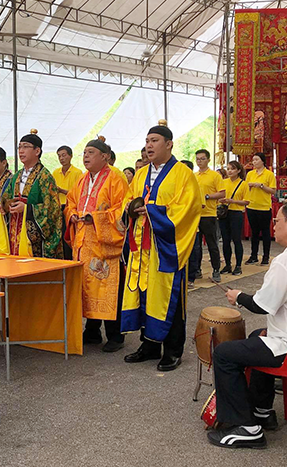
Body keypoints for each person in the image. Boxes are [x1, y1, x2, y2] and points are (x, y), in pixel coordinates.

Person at [208, 201, 287, 449]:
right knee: (260, 335)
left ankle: (246, 428)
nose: (274, 225)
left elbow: (262, 304)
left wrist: (238, 296)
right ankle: (260, 410)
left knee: (224, 354)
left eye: (277, 220)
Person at [121, 123, 202, 372]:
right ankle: (149, 346)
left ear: (169, 144)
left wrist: (154, 211)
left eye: (154, 140)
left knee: (170, 298)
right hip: (142, 248)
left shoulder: (183, 173)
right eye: (147, 140)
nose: (149, 145)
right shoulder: (142, 173)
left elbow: (188, 209)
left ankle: (173, 350)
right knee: (145, 295)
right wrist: (130, 208)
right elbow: (129, 198)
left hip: (166, 247)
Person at [65, 137, 127, 352]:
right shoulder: (82, 180)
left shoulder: (116, 179)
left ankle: (115, 335)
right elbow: (71, 203)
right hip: (83, 243)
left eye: (91, 152)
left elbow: (122, 210)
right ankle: (91, 332)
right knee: (86, 288)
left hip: (103, 243)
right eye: (84, 153)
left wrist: (97, 217)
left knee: (106, 287)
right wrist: (72, 215)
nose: (86, 157)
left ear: (105, 156)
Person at [1, 130, 63, 258]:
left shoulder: (45, 176)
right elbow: (7, 197)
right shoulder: (17, 176)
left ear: (37, 151)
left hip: (32, 238)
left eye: (26, 147)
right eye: (19, 147)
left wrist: (27, 209)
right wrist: (5, 206)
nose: (21, 151)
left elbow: (52, 210)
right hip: (15, 230)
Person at [189, 149, 225, 286]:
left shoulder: (215, 176)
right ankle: (196, 269)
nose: (200, 161)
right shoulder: (194, 175)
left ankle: (216, 269)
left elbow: (222, 193)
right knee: (195, 246)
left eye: (202, 158)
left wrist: (207, 197)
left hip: (209, 214)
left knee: (212, 244)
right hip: (195, 215)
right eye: (197, 159)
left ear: (208, 160)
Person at [218, 161, 250, 276]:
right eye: (228, 168)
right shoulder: (223, 182)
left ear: (238, 171)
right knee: (225, 240)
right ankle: (227, 264)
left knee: (236, 240)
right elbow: (218, 195)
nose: (230, 171)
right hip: (224, 213)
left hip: (236, 213)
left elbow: (246, 201)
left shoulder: (243, 184)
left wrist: (233, 201)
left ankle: (238, 265)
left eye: (232, 169)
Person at [245, 153, 277, 265]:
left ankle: (266, 256)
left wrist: (261, 186)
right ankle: (253, 255)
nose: (254, 162)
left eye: (256, 160)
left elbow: (273, 191)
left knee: (265, 232)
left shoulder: (269, 174)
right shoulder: (250, 174)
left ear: (262, 161)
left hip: (264, 207)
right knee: (254, 232)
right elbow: (245, 187)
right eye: (253, 160)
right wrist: (249, 186)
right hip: (251, 206)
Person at [52, 145, 83, 260]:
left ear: (71, 156)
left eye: (64, 155)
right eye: (59, 156)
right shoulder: (55, 172)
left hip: (70, 208)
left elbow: (79, 193)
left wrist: (62, 190)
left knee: (69, 234)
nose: (61, 158)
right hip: (58, 206)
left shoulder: (77, 172)